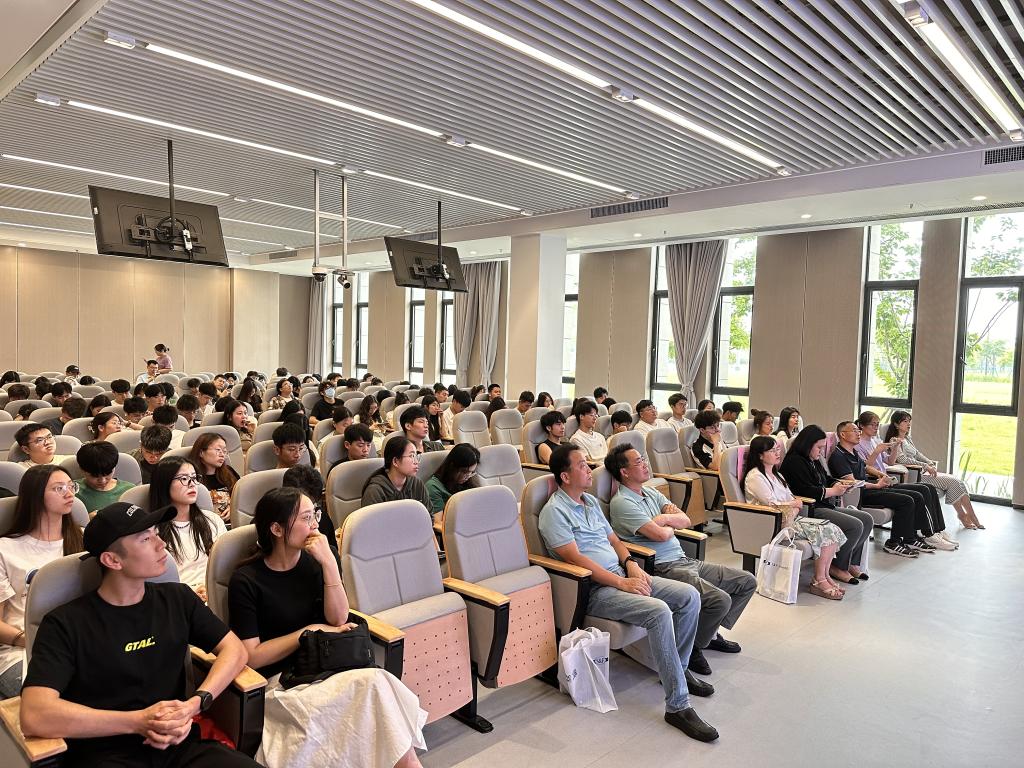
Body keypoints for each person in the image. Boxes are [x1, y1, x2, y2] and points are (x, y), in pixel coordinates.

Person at [20, 500, 255, 767]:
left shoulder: (178, 598)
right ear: (112, 560)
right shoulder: (65, 623)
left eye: (156, 533)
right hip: (105, 754)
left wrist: (195, 703)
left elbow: (235, 650)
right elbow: (34, 714)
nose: (161, 544)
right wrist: (138, 722)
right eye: (145, 539)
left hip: (179, 744)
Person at [227, 488, 425, 768]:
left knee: (376, 686)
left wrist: (330, 563)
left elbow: (339, 618)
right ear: (277, 529)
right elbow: (253, 656)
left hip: (328, 666)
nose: (315, 525)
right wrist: (308, 631)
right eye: (306, 518)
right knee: (372, 689)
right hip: (283, 683)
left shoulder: (318, 559)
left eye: (315, 515)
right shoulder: (246, 580)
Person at [538, 445, 717, 741]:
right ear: (565, 476)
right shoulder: (553, 512)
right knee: (659, 611)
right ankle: (677, 705)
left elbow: (615, 541)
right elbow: (575, 560)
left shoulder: (590, 502)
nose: (589, 469)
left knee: (689, 596)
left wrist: (631, 565)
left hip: (621, 575)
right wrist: (621, 583)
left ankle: (678, 671)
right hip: (594, 589)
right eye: (582, 465)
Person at [606, 445, 754, 676]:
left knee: (746, 582)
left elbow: (685, 519)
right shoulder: (622, 502)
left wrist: (662, 519)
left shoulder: (651, 492)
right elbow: (660, 535)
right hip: (663, 567)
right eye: (638, 462)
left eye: (644, 459)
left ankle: (707, 633)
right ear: (624, 472)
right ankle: (694, 648)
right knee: (719, 600)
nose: (645, 464)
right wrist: (666, 523)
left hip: (685, 560)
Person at [0, 465, 85, 699]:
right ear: (35, 495)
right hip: (24, 648)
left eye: (71, 486)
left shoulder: (84, 539)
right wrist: (27, 639)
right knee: (58, 699)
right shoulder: (5, 549)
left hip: (82, 642)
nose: (69, 493)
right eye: (59, 488)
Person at [744, 436, 848, 600]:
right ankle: (819, 581)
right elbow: (773, 504)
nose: (777, 453)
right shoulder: (755, 477)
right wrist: (793, 505)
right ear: (760, 455)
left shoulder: (777, 475)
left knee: (832, 528)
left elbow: (791, 499)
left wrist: (793, 506)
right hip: (771, 521)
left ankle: (825, 576)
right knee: (825, 531)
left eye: (778, 449)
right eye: (772, 450)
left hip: (790, 518)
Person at [780, 426, 876, 584]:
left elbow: (826, 478)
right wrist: (833, 491)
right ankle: (837, 566)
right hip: (810, 508)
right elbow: (805, 491)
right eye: (819, 447)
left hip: (823, 504)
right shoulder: (794, 462)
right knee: (855, 525)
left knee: (866, 519)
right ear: (808, 445)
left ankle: (850, 562)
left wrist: (839, 483)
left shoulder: (813, 459)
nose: (821, 451)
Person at [855, 412, 954, 551]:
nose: (876, 427)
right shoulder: (857, 445)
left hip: (887, 480)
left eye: (877, 424)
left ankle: (937, 530)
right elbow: (864, 467)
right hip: (876, 483)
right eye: (872, 424)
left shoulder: (875, 441)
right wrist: (876, 452)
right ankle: (927, 534)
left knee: (927, 488)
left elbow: (890, 461)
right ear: (861, 425)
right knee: (915, 496)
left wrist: (895, 448)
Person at [885, 410, 982, 530]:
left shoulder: (907, 439)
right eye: (905, 421)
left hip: (922, 471)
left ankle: (968, 515)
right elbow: (902, 459)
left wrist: (929, 462)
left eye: (909, 421)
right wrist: (926, 466)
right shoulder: (894, 440)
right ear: (896, 424)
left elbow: (918, 454)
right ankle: (964, 516)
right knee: (953, 482)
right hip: (914, 475)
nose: (908, 424)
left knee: (958, 481)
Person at [151, 457, 225, 600]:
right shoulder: (152, 532)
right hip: (178, 597)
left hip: (216, 591)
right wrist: (188, 593)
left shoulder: (212, 520)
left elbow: (225, 565)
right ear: (164, 483)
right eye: (184, 479)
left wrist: (210, 587)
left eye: (194, 478)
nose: (192, 484)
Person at [282, 464, 339, 562]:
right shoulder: (271, 519)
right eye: (305, 516)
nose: (315, 524)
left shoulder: (322, 518)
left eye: (312, 504)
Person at [361, 436, 430, 510]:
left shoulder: (417, 484)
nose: (416, 462)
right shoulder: (374, 491)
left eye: (416, 456)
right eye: (411, 456)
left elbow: (429, 513)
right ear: (395, 461)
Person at [189, 433, 239, 524]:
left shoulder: (229, 472)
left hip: (231, 524)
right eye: (218, 450)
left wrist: (233, 508)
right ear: (201, 452)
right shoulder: (190, 477)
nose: (222, 454)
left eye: (224, 451)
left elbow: (241, 498)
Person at [75, 441, 135, 513]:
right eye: (95, 476)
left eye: (108, 473)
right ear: (82, 469)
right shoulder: (73, 492)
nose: (103, 480)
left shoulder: (130, 490)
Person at [424, 443, 480, 516]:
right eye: (464, 472)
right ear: (452, 466)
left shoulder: (468, 482)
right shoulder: (433, 487)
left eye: (472, 472)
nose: (468, 476)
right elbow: (438, 521)